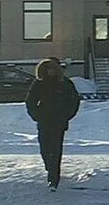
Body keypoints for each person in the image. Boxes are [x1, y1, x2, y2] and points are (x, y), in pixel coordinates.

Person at [25, 58, 80, 191]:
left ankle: (54, 178)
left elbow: (74, 101)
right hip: (43, 121)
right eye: (48, 69)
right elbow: (30, 101)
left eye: (53, 69)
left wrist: (66, 115)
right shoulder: (39, 83)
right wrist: (36, 115)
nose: (50, 72)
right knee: (44, 148)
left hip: (59, 122)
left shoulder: (65, 83)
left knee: (55, 149)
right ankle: (49, 167)